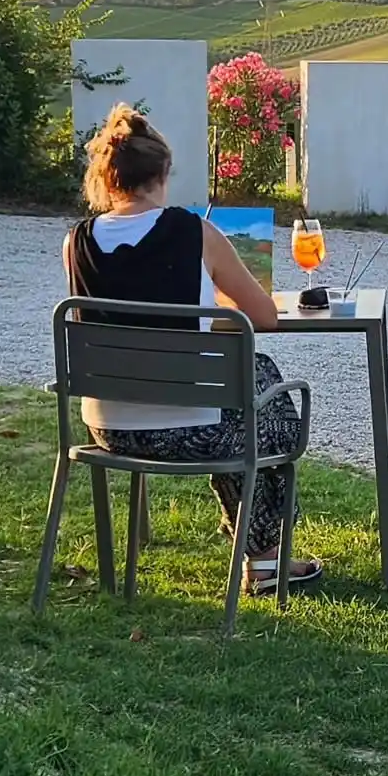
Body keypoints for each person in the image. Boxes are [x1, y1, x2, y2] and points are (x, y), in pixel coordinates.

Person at [62, 105, 321, 596]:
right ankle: (265, 558)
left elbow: (105, 325)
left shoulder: (76, 242)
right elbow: (262, 317)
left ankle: (262, 556)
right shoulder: (194, 232)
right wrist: (212, 312)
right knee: (261, 393)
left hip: (109, 427)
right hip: (188, 429)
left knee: (244, 397)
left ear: (107, 177)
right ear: (163, 173)